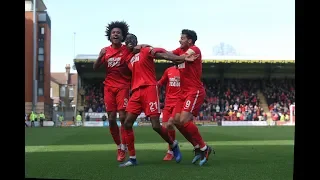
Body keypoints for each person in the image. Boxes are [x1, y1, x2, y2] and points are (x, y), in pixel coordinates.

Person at [119, 33, 197, 167]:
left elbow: (162, 54)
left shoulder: (146, 50)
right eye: (127, 41)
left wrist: (180, 59)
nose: (129, 42)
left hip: (149, 89)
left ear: (137, 41)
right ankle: (132, 158)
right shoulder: (128, 58)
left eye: (131, 40)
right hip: (136, 92)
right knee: (126, 123)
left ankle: (173, 144)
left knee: (155, 125)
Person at [169, 29, 215, 166]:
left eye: (182, 38)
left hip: (194, 92)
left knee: (184, 120)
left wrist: (180, 58)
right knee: (175, 121)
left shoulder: (195, 49)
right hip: (183, 93)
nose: (179, 40)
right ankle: (196, 147)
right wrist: (149, 49)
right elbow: (167, 53)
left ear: (189, 40)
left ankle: (204, 148)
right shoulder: (180, 51)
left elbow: (176, 58)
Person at [93, 21, 131, 162]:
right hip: (108, 87)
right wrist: (99, 56)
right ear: (110, 36)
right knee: (111, 119)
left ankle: (124, 147)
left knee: (122, 117)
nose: (115, 34)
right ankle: (119, 146)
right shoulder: (105, 51)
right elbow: (95, 67)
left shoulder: (127, 49)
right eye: (113, 32)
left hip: (123, 86)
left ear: (122, 36)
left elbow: (139, 53)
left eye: (118, 33)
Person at [157, 66, 181, 161]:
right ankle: (174, 146)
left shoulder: (185, 70)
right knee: (164, 128)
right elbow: (161, 82)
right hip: (168, 102)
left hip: (178, 102)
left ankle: (170, 151)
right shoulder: (169, 70)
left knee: (171, 124)